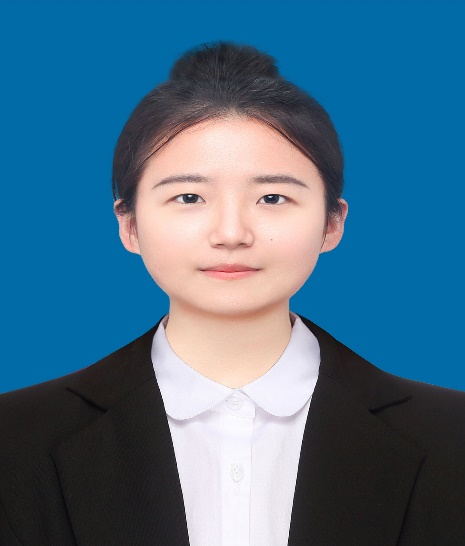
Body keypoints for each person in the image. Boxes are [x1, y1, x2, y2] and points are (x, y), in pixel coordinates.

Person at [0, 42, 464, 546]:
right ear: (128, 224)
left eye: (272, 197)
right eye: (189, 197)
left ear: (332, 223)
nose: (231, 233)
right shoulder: (15, 437)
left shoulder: (450, 434)